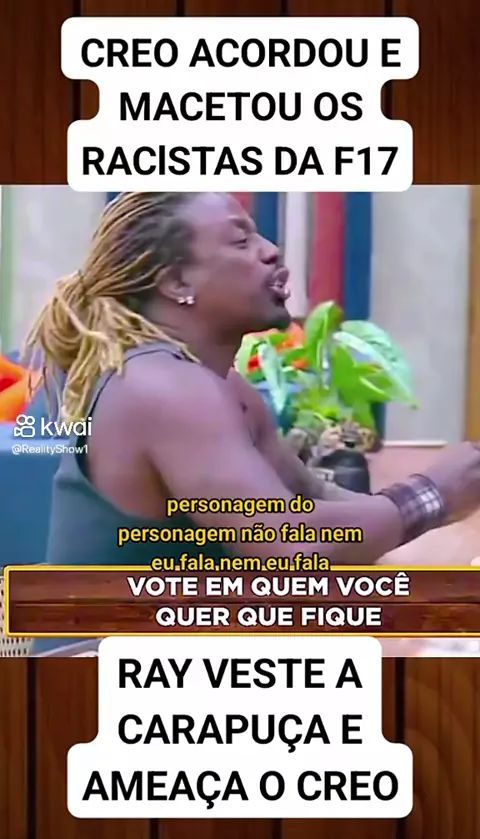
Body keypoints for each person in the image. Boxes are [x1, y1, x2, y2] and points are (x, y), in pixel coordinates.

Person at [25, 191, 480, 571]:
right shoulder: (164, 388)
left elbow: (310, 497)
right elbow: (291, 545)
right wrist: (432, 494)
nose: (271, 250)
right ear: (177, 281)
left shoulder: (223, 386)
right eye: (241, 241)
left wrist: (437, 497)